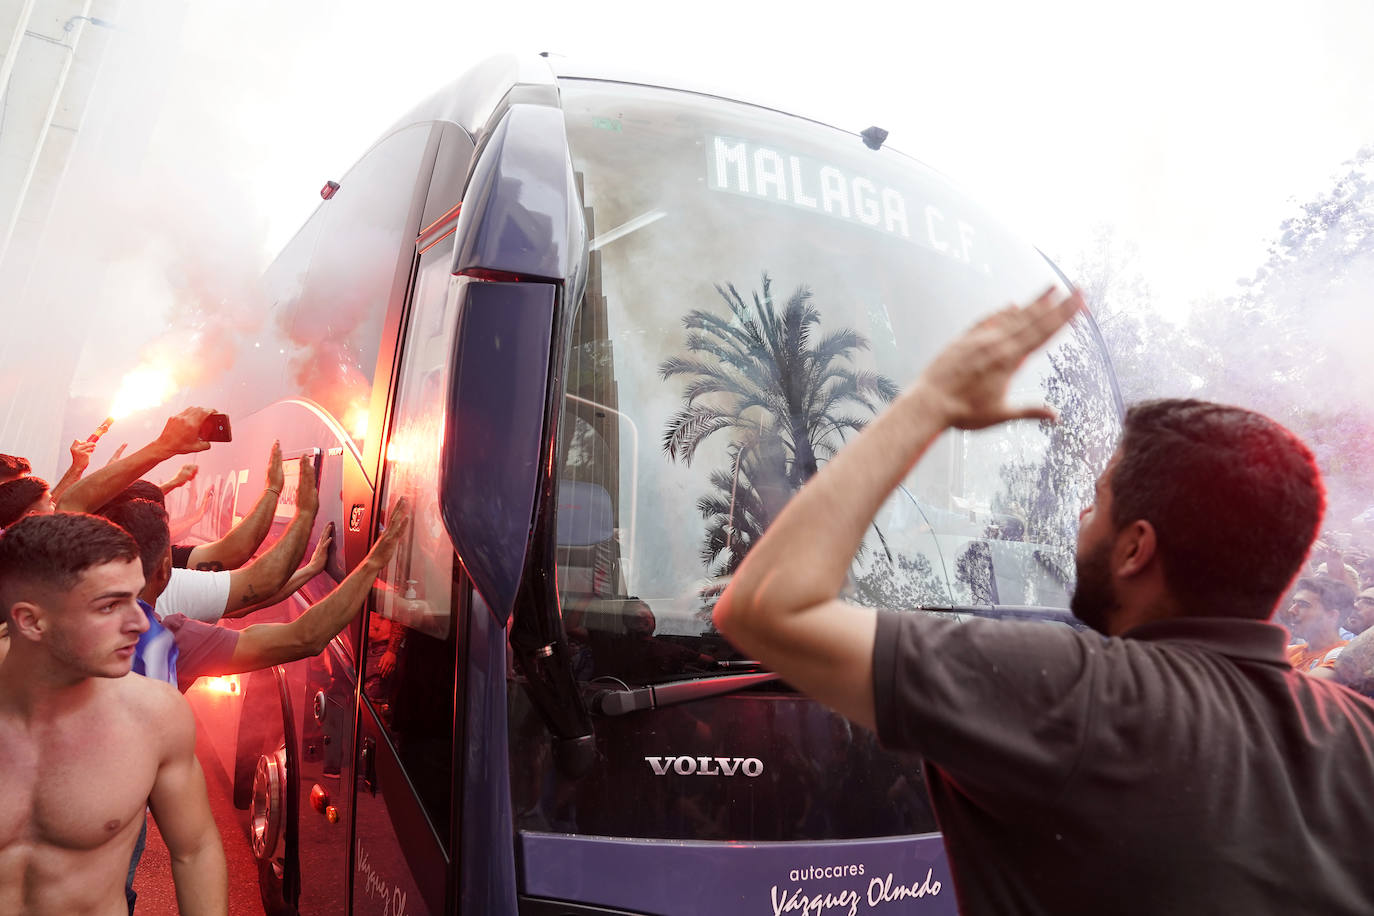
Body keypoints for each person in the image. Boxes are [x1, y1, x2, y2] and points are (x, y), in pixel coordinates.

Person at [713, 288, 1374, 914]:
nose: (1082, 516)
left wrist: (931, 402)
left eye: (1098, 499)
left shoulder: (1079, 695)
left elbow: (765, 605)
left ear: (1135, 549)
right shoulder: (1360, 739)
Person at [0, 513, 227, 914]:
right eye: (109, 606)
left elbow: (195, 850)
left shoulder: (155, 714)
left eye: (135, 599)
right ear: (31, 621)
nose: (140, 623)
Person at [102, 493, 409, 692]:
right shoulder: (167, 639)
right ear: (165, 569)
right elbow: (303, 637)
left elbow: (243, 602)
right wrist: (374, 561)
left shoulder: (71, 619)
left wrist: (309, 570)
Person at [1284, 575, 1353, 673]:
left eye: (1303, 605)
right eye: (1294, 603)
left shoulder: (1345, 656)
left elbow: (1301, 687)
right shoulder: (1288, 652)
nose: (1291, 610)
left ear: (1331, 616)